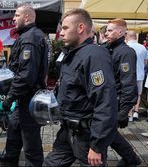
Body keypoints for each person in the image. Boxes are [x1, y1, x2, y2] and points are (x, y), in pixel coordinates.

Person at [44, 8, 118, 166]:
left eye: (65, 28)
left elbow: (105, 101)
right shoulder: (73, 54)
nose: (61, 33)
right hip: (67, 131)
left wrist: (97, 146)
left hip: (86, 136)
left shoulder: (94, 55)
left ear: (81, 28)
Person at [0, 4, 48, 166]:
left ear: (27, 17)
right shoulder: (27, 35)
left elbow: (26, 75)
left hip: (28, 95)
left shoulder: (30, 38)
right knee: (14, 125)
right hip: (24, 96)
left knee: (30, 136)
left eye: (17, 15)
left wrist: (10, 97)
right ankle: (11, 156)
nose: (13, 18)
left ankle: (33, 163)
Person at [105, 18, 142, 166]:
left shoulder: (126, 52)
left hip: (116, 101)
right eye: (106, 30)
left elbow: (128, 82)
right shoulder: (109, 48)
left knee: (107, 132)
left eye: (110, 30)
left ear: (120, 32)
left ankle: (131, 158)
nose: (106, 33)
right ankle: (131, 158)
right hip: (108, 99)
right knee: (108, 132)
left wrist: (125, 109)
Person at [126, 30, 148, 121]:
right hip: (140, 74)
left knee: (128, 95)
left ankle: (129, 114)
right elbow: (145, 62)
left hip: (128, 75)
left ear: (128, 37)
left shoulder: (126, 47)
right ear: (135, 37)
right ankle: (136, 112)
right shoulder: (143, 47)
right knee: (138, 94)